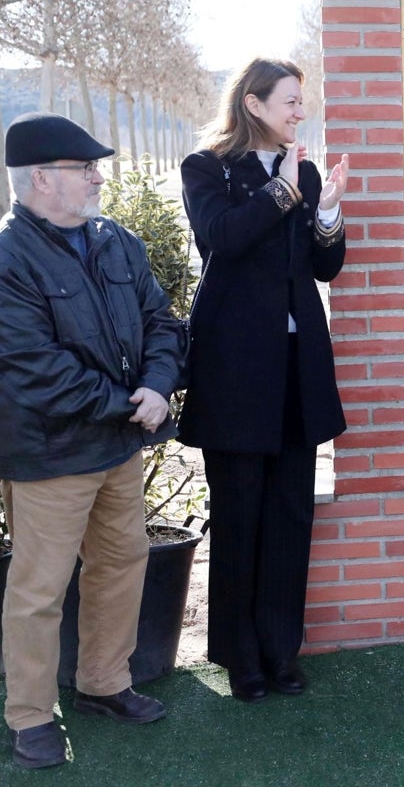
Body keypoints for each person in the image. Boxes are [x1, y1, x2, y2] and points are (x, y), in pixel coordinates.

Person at [0, 113, 183, 769]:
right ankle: (28, 717)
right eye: (85, 169)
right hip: (49, 452)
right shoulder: (8, 257)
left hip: (118, 445)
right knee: (39, 587)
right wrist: (129, 408)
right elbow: (32, 366)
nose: (98, 178)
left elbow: (162, 320)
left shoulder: (116, 240)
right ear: (41, 179)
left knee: (122, 559)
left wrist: (159, 384)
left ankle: (104, 684)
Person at [178, 58, 349, 704]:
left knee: (289, 515)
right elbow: (221, 237)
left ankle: (281, 652)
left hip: (295, 372)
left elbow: (324, 266)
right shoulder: (207, 169)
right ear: (253, 104)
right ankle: (239, 656)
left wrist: (325, 210)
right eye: (290, 101)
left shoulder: (303, 172)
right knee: (241, 513)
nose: (300, 111)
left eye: (302, 101)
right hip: (235, 375)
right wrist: (280, 192)